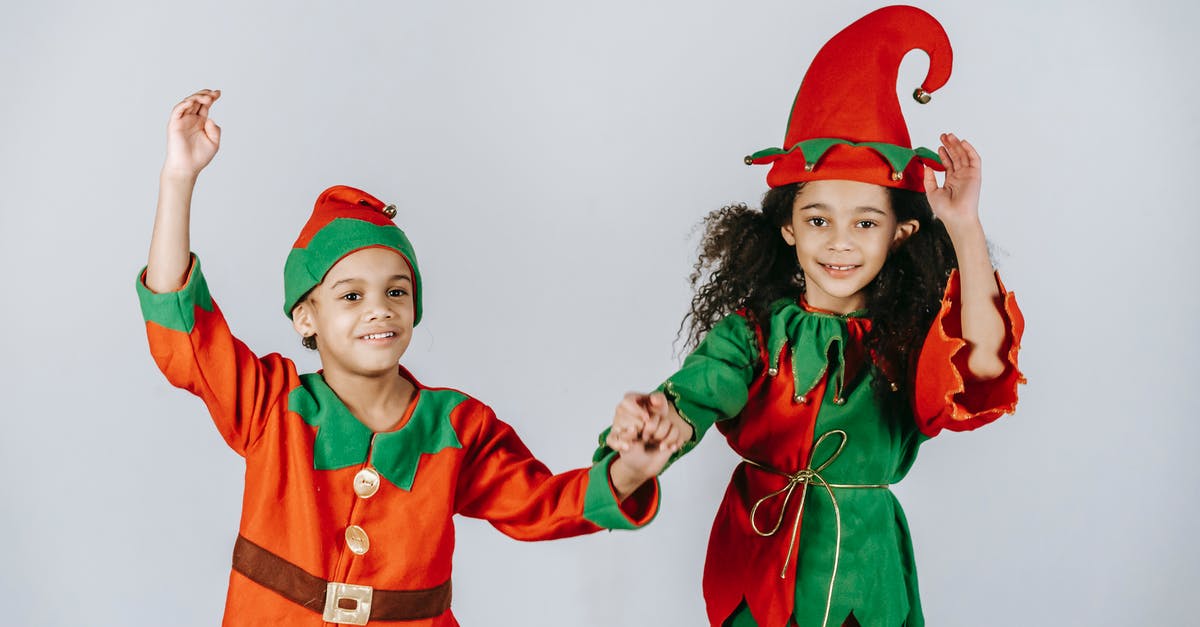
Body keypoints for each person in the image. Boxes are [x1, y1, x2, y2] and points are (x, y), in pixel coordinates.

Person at [137, 88, 678, 626]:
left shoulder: (458, 427)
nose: (380, 310)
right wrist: (178, 179)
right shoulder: (271, 405)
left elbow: (541, 505)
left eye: (396, 291)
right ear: (306, 317)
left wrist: (628, 468)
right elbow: (184, 329)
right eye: (351, 296)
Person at [604, 7, 1025, 627]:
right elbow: (695, 396)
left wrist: (965, 228)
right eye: (818, 219)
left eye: (866, 223)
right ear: (787, 229)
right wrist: (655, 427)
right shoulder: (752, 333)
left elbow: (982, 367)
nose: (840, 243)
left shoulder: (909, 339)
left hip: (867, 565)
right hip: (757, 561)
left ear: (901, 234)